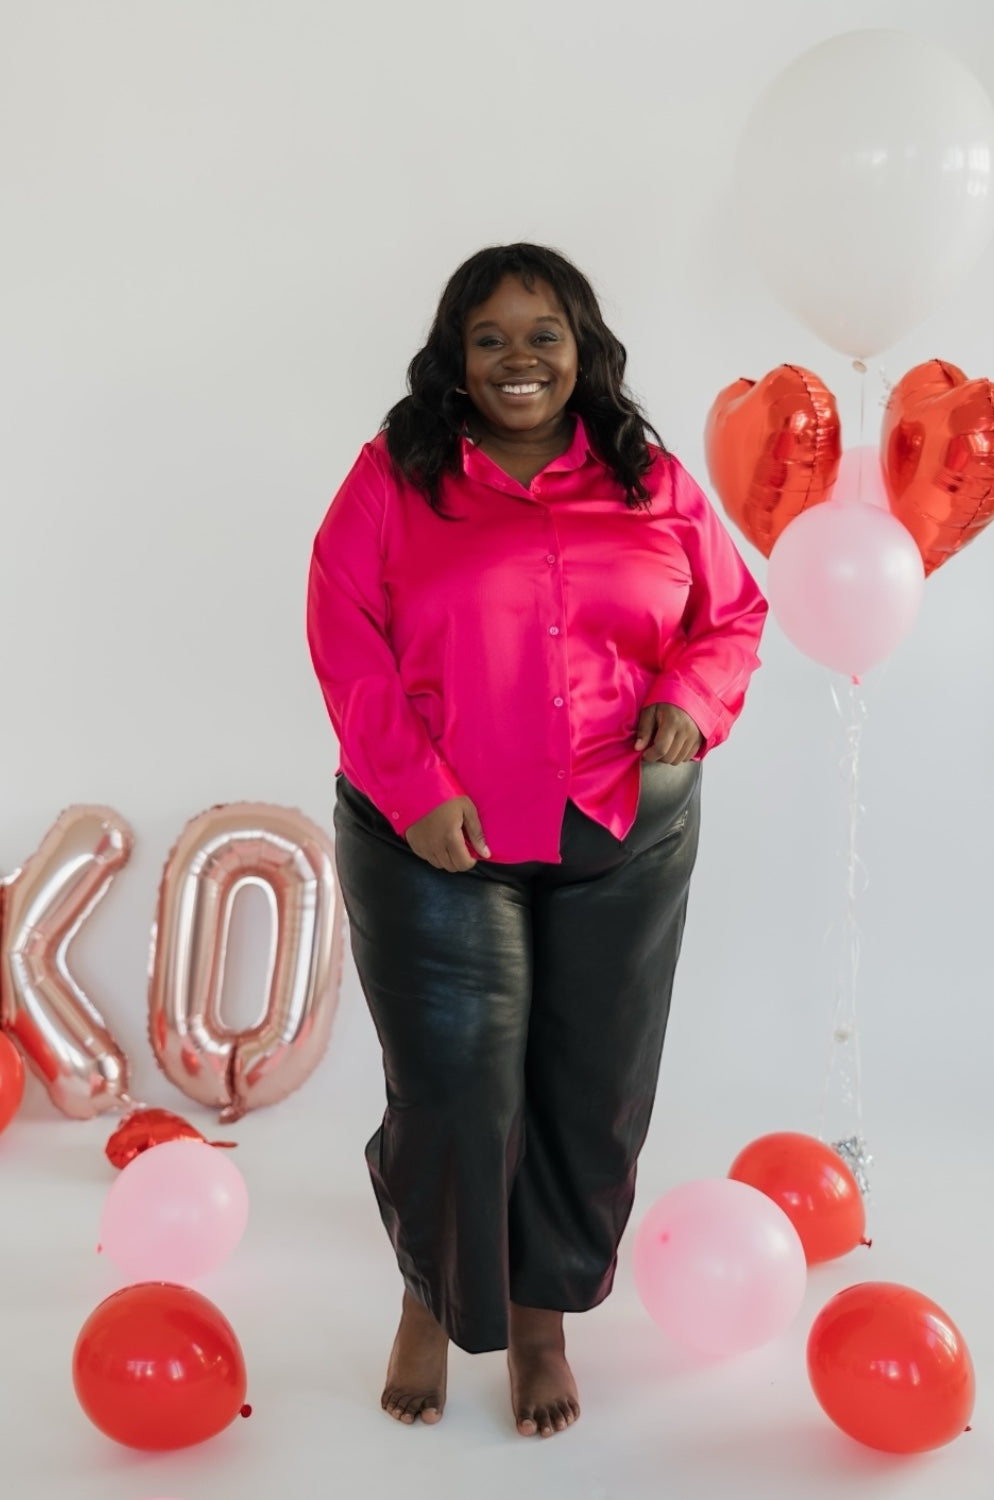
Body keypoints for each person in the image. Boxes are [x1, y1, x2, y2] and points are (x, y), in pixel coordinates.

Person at [307, 243, 767, 1438]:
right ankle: (429, 1289)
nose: (520, 359)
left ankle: (541, 1316)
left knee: (591, 1090)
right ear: (455, 359)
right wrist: (412, 790)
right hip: (435, 838)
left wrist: (693, 698)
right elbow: (344, 636)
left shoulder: (646, 474)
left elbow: (733, 613)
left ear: (583, 351)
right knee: (459, 1088)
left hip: (621, 832)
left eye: (544, 334)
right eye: (492, 337)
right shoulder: (393, 479)